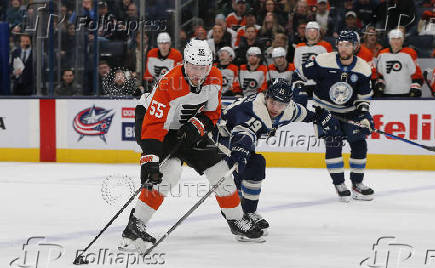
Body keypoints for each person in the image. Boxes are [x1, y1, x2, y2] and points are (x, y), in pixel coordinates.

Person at [120, 39, 263, 252]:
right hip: (154, 123)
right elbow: (154, 124)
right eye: (194, 67)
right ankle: (135, 226)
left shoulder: (214, 77)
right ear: (185, 64)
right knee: (168, 173)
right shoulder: (169, 83)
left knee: (220, 169)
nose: (198, 73)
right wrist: (150, 160)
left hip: (185, 125)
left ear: (209, 66)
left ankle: (236, 221)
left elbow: (211, 113)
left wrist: (196, 126)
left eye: (203, 68)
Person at [214, 79, 339, 230]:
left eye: (281, 104)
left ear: (287, 104)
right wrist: (240, 151)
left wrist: (321, 116)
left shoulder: (288, 110)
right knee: (247, 166)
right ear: (266, 97)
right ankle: (236, 214)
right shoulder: (254, 110)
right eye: (272, 102)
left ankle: (247, 211)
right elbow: (243, 132)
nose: (275, 107)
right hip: (221, 135)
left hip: (244, 138)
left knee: (255, 166)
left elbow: (305, 115)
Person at [298, 31, 375, 202]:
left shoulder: (363, 67)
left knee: (360, 144)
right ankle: (339, 184)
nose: (343, 48)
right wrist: (300, 91)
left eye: (348, 44)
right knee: (333, 145)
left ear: (355, 46)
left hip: (350, 112)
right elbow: (299, 74)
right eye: (341, 44)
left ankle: (357, 184)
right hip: (325, 111)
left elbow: (363, 96)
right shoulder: (323, 61)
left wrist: (363, 115)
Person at [375, 29, 424, 98]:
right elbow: (379, 74)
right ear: (389, 40)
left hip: (406, 93)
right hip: (387, 93)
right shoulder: (382, 54)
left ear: (402, 40)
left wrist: (415, 87)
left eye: (398, 39)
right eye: (393, 39)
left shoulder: (409, 53)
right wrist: (379, 83)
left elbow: (417, 75)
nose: (396, 42)